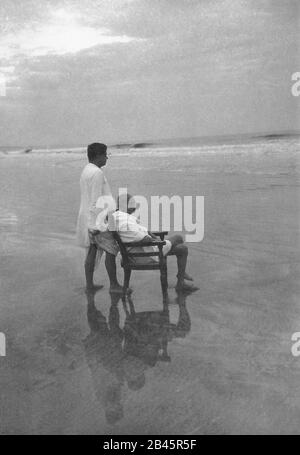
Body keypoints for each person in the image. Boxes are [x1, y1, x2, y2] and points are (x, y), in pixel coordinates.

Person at [112, 193, 198, 292]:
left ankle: (181, 280)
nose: (134, 207)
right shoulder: (126, 221)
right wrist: (156, 241)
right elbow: (144, 239)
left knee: (182, 249)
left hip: (133, 253)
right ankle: (181, 278)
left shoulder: (118, 217)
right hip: (144, 256)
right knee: (178, 238)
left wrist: (153, 237)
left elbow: (141, 231)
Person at [76, 143, 122, 292]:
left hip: (88, 217)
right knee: (111, 249)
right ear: (98, 156)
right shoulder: (97, 173)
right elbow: (97, 200)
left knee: (92, 250)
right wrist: (98, 224)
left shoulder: (86, 170)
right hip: (97, 219)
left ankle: (90, 285)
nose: (107, 157)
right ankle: (114, 285)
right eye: (105, 154)